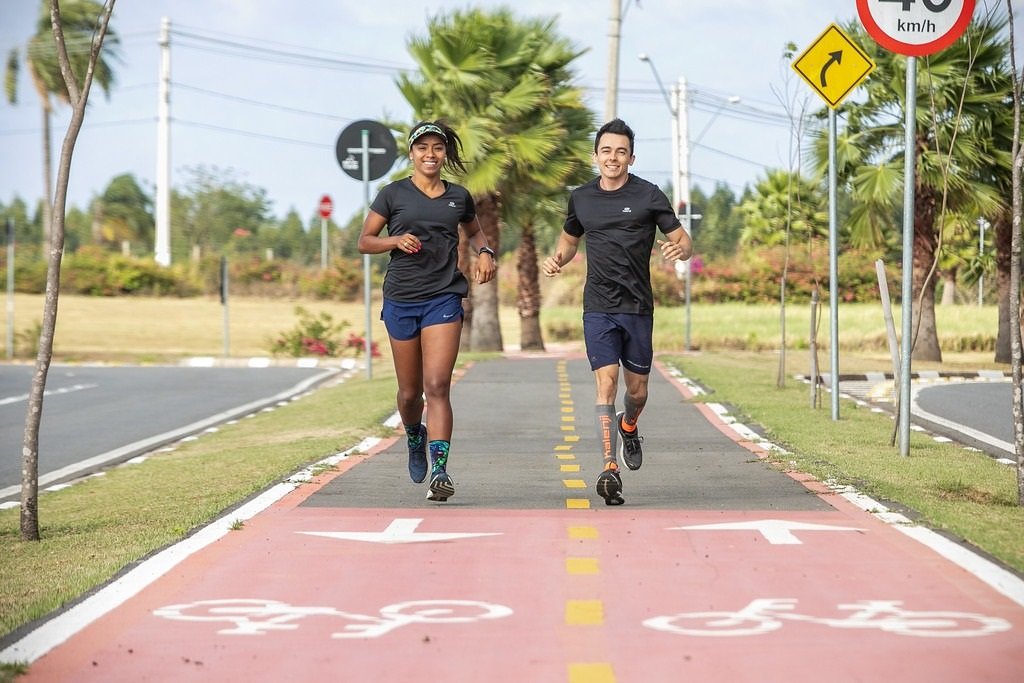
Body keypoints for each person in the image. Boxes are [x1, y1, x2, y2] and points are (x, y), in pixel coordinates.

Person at [541, 118, 692, 506]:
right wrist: (558, 259)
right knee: (605, 383)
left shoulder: (649, 195)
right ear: (596, 156)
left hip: (638, 307)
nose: (613, 157)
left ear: (631, 157)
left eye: (620, 151)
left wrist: (680, 249)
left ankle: (629, 426)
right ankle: (610, 468)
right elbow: (569, 241)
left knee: (637, 392)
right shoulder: (581, 198)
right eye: (606, 151)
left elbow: (683, 239)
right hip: (598, 307)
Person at [358, 120, 496, 502]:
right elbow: (365, 241)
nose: (430, 154)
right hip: (402, 298)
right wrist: (394, 241)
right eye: (423, 148)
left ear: (445, 153)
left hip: (443, 297)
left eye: (437, 148)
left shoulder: (459, 197)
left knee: (437, 385)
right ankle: (414, 436)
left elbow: (475, 231)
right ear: (412, 153)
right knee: (409, 392)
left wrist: (485, 252)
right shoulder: (392, 194)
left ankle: (440, 471)